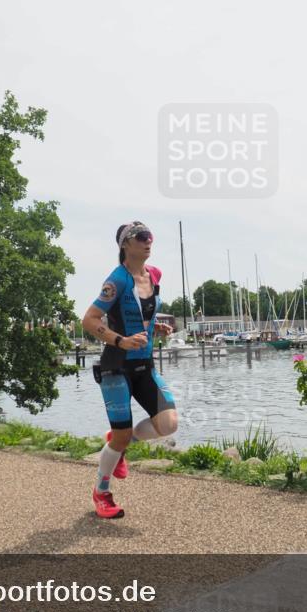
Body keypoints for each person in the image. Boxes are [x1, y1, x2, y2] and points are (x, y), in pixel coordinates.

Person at [80, 221, 179, 518]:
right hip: (117, 367)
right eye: (141, 237)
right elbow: (89, 319)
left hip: (145, 365)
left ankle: (120, 444)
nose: (148, 241)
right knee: (121, 435)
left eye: (150, 235)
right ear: (125, 244)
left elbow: (141, 313)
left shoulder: (155, 275)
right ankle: (102, 492)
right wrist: (120, 341)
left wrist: (153, 328)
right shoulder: (117, 281)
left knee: (168, 423)